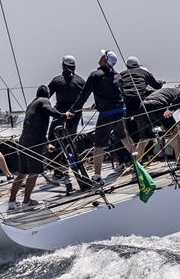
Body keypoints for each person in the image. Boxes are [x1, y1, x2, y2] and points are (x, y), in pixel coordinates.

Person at [72, 50, 134, 181]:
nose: (99, 57)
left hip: (107, 114)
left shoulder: (95, 75)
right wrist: (99, 103)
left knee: (98, 145)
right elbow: (118, 93)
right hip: (120, 111)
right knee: (124, 137)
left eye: (102, 56)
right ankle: (138, 164)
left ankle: (97, 175)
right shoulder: (117, 75)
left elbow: (84, 95)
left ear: (104, 60)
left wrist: (73, 110)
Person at [9, 85, 72, 210]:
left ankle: (12, 201)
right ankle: (26, 202)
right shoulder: (44, 101)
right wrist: (64, 115)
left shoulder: (32, 104)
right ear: (48, 95)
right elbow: (51, 111)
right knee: (34, 173)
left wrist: (47, 143)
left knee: (22, 173)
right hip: (33, 144)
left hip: (23, 141)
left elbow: (36, 127)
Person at [119, 56, 165, 158]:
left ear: (127, 66)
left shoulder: (120, 75)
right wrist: (161, 82)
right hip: (139, 103)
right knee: (145, 131)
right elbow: (157, 86)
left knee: (122, 132)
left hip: (125, 104)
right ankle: (143, 156)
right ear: (138, 65)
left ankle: (126, 159)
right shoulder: (144, 72)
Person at [47, 55, 86, 141]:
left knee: (52, 137)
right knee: (71, 137)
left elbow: (46, 96)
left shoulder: (57, 80)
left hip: (60, 113)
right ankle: (72, 151)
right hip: (75, 113)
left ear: (63, 67)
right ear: (74, 67)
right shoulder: (81, 81)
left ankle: (51, 147)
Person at [143, 85, 180, 160]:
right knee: (175, 132)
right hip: (158, 105)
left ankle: (136, 165)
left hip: (143, 106)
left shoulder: (167, 91)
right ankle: (179, 159)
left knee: (143, 139)